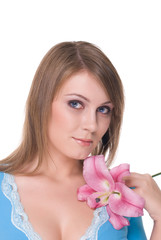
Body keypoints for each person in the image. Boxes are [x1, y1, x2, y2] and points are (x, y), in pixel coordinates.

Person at [0, 41, 160, 240]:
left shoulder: (119, 196)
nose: (92, 125)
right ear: (41, 102)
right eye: (75, 104)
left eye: (103, 110)